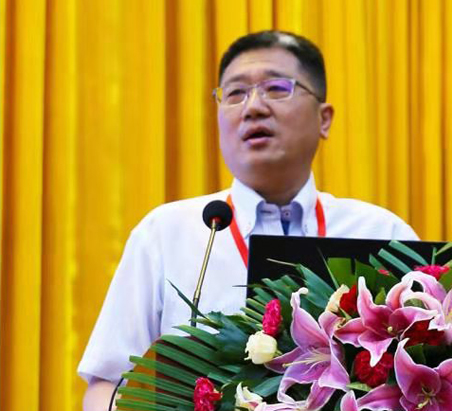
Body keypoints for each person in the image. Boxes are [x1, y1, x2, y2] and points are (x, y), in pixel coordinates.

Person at [80, 30, 419, 411]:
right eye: (235, 93)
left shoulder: (381, 234)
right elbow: (107, 384)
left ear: (323, 119)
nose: (253, 107)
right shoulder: (166, 233)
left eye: (276, 88)